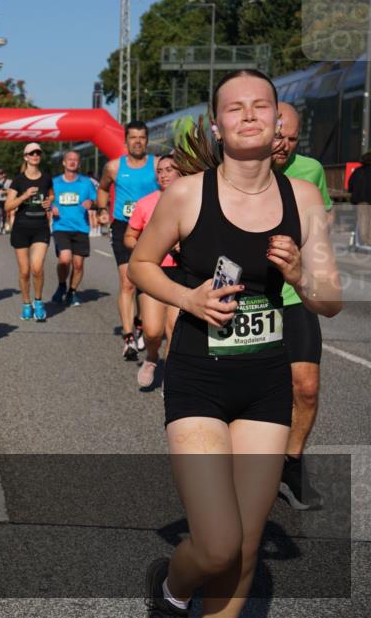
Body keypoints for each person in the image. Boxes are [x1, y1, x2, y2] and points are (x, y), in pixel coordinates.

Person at [128, 69, 340, 618]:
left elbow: (330, 299)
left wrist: (298, 277)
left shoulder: (305, 196)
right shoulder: (186, 194)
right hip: (199, 380)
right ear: (218, 126)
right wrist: (188, 299)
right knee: (218, 543)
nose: (249, 114)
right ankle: (171, 590)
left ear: (279, 121)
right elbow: (141, 264)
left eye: (261, 105)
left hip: (266, 386)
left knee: (246, 549)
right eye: (234, 107)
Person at [270, 101, 334, 510]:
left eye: (294, 138)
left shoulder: (309, 171)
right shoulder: (232, 168)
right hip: (247, 297)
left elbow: (324, 217)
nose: (287, 146)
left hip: (295, 293)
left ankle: (290, 466)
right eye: (280, 137)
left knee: (306, 389)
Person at [98, 121, 158, 360]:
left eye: (142, 137)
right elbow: (103, 188)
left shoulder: (156, 165)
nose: (137, 142)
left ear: (147, 140)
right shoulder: (114, 167)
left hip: (152, 227)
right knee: (127, 282)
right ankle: (128, 337)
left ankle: (142, 323)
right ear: (125, 141)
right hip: (123, 226)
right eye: (133, 137)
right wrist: (102, 208)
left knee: (146, 282)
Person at [123, 154, 183, 389]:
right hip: (153, 272)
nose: (164, 174)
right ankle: (151, 357)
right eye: (160, 171)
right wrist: (147, 248)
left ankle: (171, 373)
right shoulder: (145, 203)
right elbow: (129, 237)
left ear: (181, 172)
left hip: (182, 273)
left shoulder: (192, 201)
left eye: (169, 169)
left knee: (174, 328)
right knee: (152, 330)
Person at [4, 142, 54, 321]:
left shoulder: (46, 178)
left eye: (38, 153)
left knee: (37, 267)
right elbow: (8, 206)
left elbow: (50, 195)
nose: (35, 156)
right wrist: (24, 196)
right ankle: (26, 303)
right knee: (24, 271)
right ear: (25, 157)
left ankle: (38, 302)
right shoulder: (18, 180)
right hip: (21, 228)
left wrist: (49, 203)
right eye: (31, 153)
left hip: (40, 227)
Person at [51, 150, 98, 307]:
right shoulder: (55, 182)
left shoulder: (86, 183)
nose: (72, 162)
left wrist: (92, 204)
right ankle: (61, 285)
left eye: (75, 160)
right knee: (65, 259)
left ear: (79, 163)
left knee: (78, 264)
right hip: (61, 226)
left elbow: (96, 200)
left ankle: (72, 292)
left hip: (81, 228)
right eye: (69, 159)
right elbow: (46, 200)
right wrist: (51, 207)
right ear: (64, 162)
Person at [349, 151, 371, 246]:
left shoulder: (357, 171)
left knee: (363, 220)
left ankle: (366, 241)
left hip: (361, 200)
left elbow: (350, 186)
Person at [0, 169, 11, 234]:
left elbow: (11, 191)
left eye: (1, 173)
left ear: (4, 174)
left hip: (6, 200)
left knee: (5, 214)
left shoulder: (9, 182)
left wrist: (4, 191)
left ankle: (3, 227)